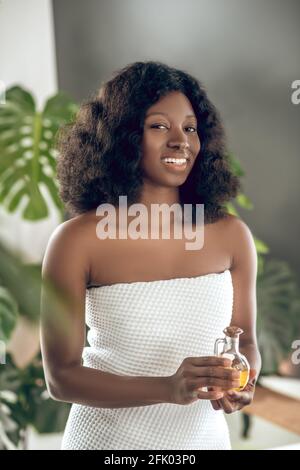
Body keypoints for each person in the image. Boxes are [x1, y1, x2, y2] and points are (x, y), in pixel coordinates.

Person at [40, 60, 261, 450]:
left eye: (190, 128)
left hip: (204, 444)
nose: (181, 141)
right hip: (108, 445)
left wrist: (242, 384)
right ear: (124, 137)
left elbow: (245, 341)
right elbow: (61, 377)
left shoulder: (231, 237)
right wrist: (167, 387)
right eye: (159, 126)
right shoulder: (77, 242)